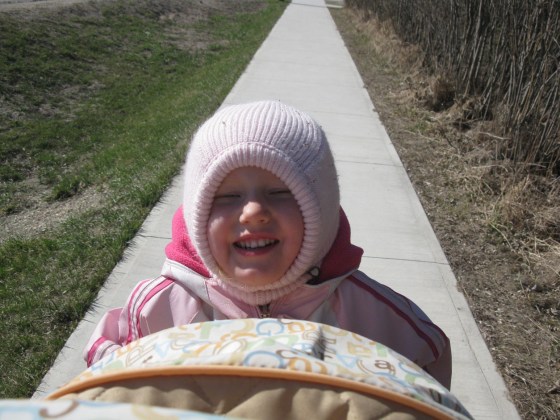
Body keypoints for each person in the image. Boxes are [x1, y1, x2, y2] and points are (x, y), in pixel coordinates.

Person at [84, 100, 452, 388]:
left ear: (322, 210)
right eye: (227, 196)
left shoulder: (368, 312)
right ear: (197, 216)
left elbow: (428, 361)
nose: (253, 212)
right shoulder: (160, 307)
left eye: (279, 192)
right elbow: (106, 364)